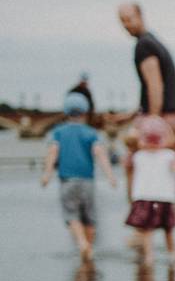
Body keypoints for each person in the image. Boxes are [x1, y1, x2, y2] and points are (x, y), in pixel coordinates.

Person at [117, 2, 175, 252]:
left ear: (140, 15)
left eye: (129, 19)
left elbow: (155, 84)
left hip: (162, 118)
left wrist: (151, 120)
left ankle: (141, 230)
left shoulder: (144, 45)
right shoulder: (156, 42)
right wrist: (132, 113)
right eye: (122, 20)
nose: (125, 25)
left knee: (133, 166)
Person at [40, 92, 118, 259]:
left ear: (66, 111)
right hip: (87, 181)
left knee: (71, 214)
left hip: (67, 180)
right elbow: (100, 153)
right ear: (85, 112)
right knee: (89, 217)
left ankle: (82, 243)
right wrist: (110, 175)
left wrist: (47, 174)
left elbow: (53, 152)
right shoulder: (91, 133)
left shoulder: (58, 132)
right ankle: (89, 249)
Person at [125, 116, 175, 264]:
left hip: (143, 197)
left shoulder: (138, 156)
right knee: (168, 228)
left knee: (147, 229)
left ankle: (149, 256)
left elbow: (130, 144)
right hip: (165, 197)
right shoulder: (169, 155)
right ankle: (172, 252)